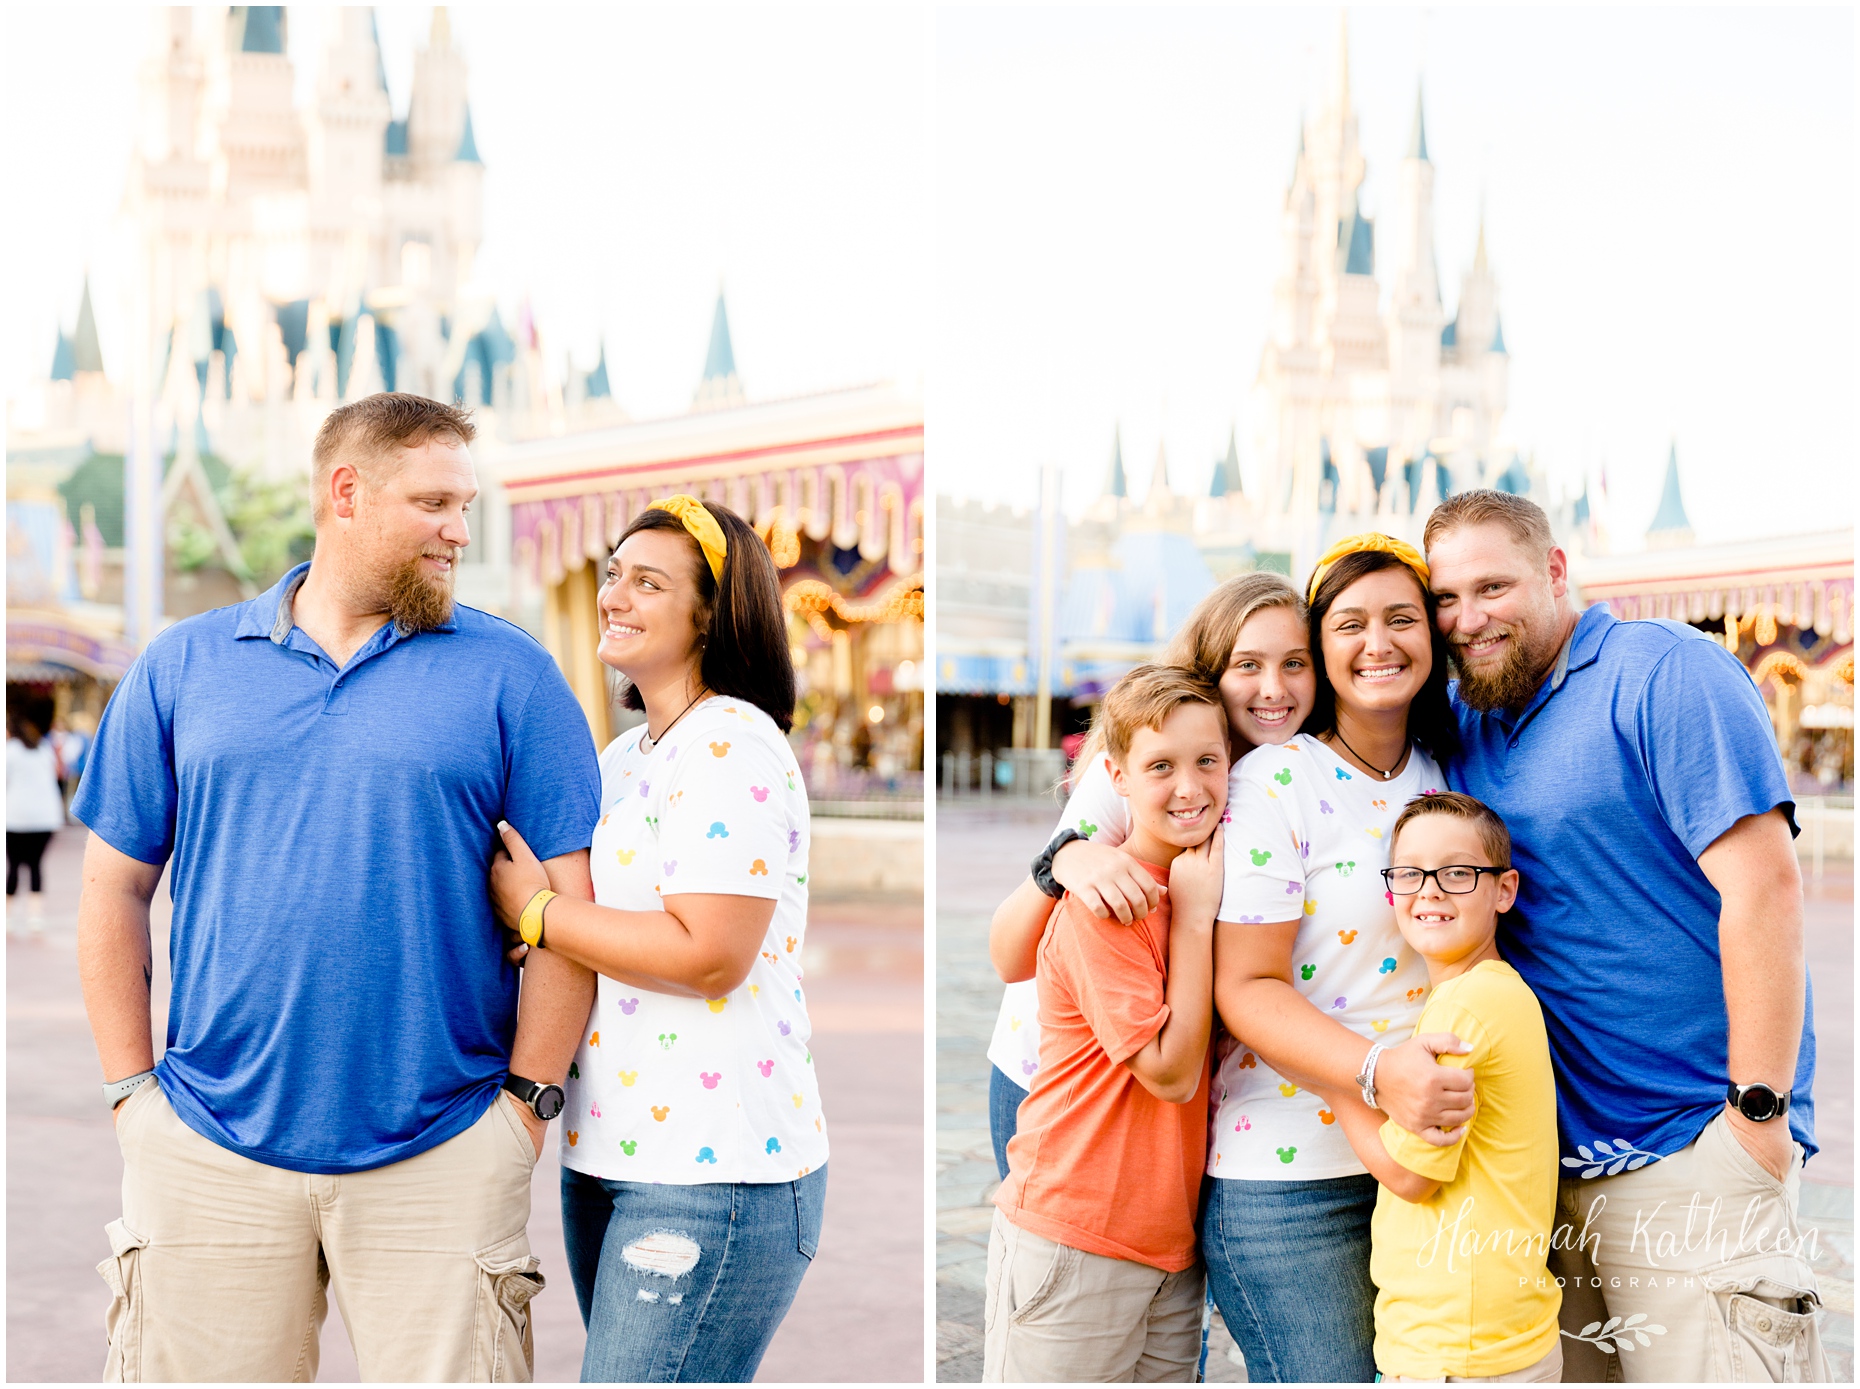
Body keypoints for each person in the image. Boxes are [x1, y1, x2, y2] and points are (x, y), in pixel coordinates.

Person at [73, 393, 600, 1383]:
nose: (459, 531)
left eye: (467, 506)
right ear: (345, 492)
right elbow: (110, 888)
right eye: (436, 502)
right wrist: (130, 1095)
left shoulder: (514, 676)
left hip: (443, 1152)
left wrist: (525, 1109)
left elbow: (572, 911)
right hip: (206, 1148)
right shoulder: (183, 665)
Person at [1424, 490, 1827, 1382]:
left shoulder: (1665, 673)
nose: (1468, 617)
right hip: (1543, 1166)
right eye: (1447, 598)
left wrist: (1756, 1115)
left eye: (1493, 586)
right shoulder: (1469, 717)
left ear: (1557, 570)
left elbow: (1764, 887)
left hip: (1691, 1150)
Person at [489, 495, 826, 1384]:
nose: (614, 595)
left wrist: (540, 914)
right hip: (610, 1152)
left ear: (710, 613)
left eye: (649, 581)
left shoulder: (730, 744)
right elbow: (608, 927)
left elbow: (711, 952)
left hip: (712, 1169)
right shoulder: (629, 754)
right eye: (612, 575)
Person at [1209, 534, 1475, 1383]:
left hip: (1427, 1160)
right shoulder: (1275, 781)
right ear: (1321, 648)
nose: (1379, 642)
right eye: (1351, 623)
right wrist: (1370, 1076)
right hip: (1294, 1182)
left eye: (1402, 618)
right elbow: (1246, 987)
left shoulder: (1451, 774)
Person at [984, 572, 1317, 1179]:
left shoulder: (1297, 768)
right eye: (1247, 665)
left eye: (1295, 663)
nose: (1274, 687)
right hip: (1057, 1081)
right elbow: (1011, 957)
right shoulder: (1158, 765)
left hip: (1161, 1086)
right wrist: (1066, 856)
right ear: (1210, 674)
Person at [983, 664, 1226, 1383]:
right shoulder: (1108, 900)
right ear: (1116, 777)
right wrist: (1194, 920)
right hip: (1075, 1237)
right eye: (1161, 766)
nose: (1189, 785)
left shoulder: (1199, 878)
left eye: (1207, 760)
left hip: (1167, 1250)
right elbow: (1171, 1072)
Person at [1333, 792, 1561, 1384]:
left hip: (1456, 1345)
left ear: (1504, 891)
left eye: (1457, 873)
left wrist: (1331, 1080)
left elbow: (1411, 1175)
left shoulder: (1465, 1007)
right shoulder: (1491, 991)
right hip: (1497, 1331)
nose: (1429, 890)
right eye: (1410, 873)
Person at [8, 714, 66, 934]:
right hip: (46, 818)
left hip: (16, 818)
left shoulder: (10, 751)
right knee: (35, 865)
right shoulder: (44, 750)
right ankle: (35, 916)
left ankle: (8, 915)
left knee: (13, 866)